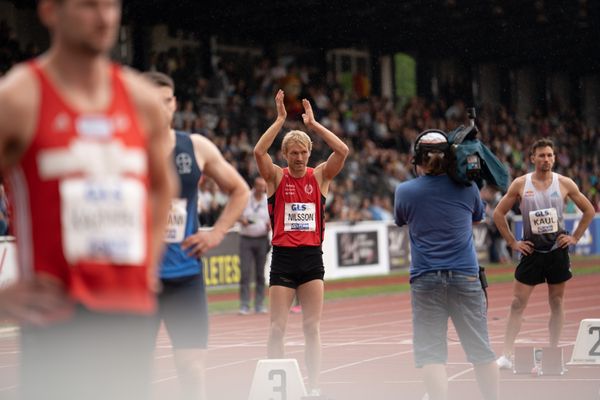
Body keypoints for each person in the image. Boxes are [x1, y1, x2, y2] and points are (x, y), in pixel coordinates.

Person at [0, 1, 175, 399]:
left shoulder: (141, 100)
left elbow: (162, 186)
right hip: (55, 322)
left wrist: (148, 260)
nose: (105, 18)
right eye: (88, 5)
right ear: (48, 11)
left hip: (129, 318)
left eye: (111, 5)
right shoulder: (18, 99)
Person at [143, 71, 249, 400]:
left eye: (167, 101)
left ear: (175, 104)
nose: (162, 108)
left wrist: (216, 233)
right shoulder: (122, 147)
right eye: (153, 102)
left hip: (184, 277)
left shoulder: (196, 146)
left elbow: (239, 190)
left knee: (191, 367)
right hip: (137, 279)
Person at [254, 89, 349, 395]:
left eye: (303, 153)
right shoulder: (276, 178)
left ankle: (315, 386)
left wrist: (315, 127)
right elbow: (258, 152)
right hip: (282, 257)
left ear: (309, 154)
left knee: (311, 328)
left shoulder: (319, 177)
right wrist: (281, 118)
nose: (297, 158)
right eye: (292, 153)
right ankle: (275, 385)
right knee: (277, 328)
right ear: (285, 155)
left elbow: (343, 151)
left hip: (311, 259)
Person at [394, 130, 499, 400]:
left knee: (432, 354)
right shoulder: (468, 188)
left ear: (417, 158)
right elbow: (477, 217)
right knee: (481, 350)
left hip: (426, 278)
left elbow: (402, 219)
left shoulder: (405, 191)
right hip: (465, 275)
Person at [493, 138, 595, 369]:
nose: (546, 159)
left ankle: (551, 353)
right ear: (532, 158)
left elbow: (589, 210)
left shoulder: (565, 183)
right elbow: (498, 214)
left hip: (556, 251)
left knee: (557, 302)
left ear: (555, 158)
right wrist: (512, 242)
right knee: (517, 303)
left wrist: (575, 237)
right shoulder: (521, 184)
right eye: (541, 155)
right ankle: (506, 356)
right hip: (531, 251)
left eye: (550, 155)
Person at [238, 176, 271, 315]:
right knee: (245, 273)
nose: (262, 188)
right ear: (254, 186)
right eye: (259, 185)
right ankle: (244, 304)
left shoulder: (268, 199)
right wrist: (241, 219)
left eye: (263, 186)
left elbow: (274, 216)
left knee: (260, 274)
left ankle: (259, 304)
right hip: (246, 239)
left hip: (262, 239)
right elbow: (235, 213)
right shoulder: (245, 197)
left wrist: (271, 225)